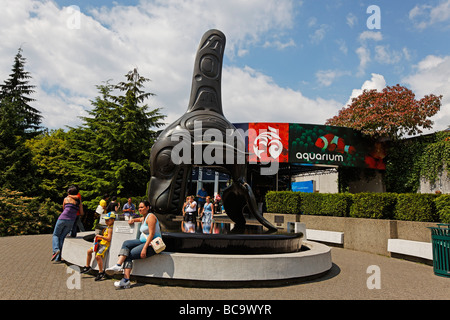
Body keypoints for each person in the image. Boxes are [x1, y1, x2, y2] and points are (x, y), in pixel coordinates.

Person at [105, 201, 162, 289]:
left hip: (152, 245)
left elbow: (151, 234)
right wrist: (133, 220)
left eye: (142, 207)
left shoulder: (151, 217)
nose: (139, 209)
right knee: (126, 243)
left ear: (147, 207)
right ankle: (118, 265)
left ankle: (126, 280)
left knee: (129, 255)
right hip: (143, 242)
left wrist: (144, 248)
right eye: (139, 207)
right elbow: (139, 219)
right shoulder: (144, 217)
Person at [80, 212, 115, 281]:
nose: (106, 221)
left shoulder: (111, 228)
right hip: (101, 243)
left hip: (105, 245)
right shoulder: (108, 227)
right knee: (89, 251)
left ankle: (101, 272)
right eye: (105, 220)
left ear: (113, 220)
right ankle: (87, 266)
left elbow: (109, 239)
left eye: (108, 220)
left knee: (98, 256)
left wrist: (100, 236)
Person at [51, 186, 81, 262]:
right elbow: (81, 212)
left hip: (62, 218)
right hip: (71, 221)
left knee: (56, 235)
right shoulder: (78, 202)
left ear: (69, 193)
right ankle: (58, 258)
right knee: (62, 237)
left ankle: (56, 250)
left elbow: (64, 208)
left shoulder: (66, 199)